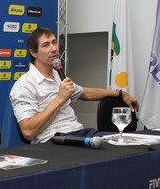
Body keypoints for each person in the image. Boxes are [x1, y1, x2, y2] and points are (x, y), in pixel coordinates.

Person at [10, 27, 139, 144]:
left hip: (79, 133)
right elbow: (28, 132)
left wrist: (121, 94)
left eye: (54, 42)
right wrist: (60, 98)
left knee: (127, 144)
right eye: (46, 45)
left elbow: (85, 92)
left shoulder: (57, 75)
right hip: (54, 140)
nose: (54, 49)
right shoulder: (24, 85)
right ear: (33, 53)